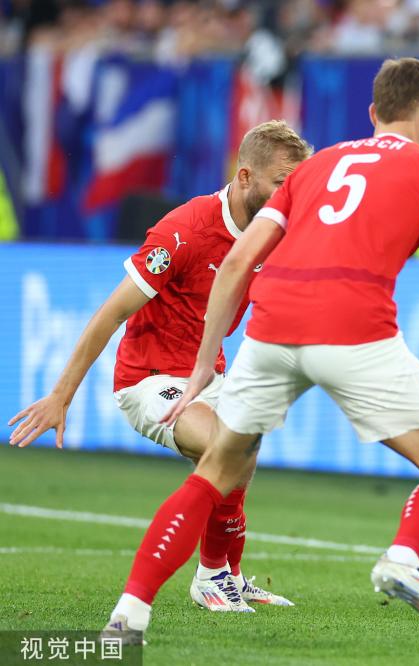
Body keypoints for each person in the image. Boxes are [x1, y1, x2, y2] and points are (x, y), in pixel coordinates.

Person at [101, 57, 419, 640]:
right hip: (354, 324)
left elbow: (241, 261)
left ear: (373, 114)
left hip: (271, 325)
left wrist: (201, 369)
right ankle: (402, 559)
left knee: (216, 469)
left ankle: (130, 614)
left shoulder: (314, 167)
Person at [8, 120, 312, 613]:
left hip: (208, 374)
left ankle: (228, 574)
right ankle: (212, 577)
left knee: (243, 451)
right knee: (224, 446)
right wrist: (62, 395)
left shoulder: (274, 232)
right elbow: (112, 313)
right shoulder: (184, 232)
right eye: (281, 183)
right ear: (243, 178)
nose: (290, 194)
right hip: (150, 379)